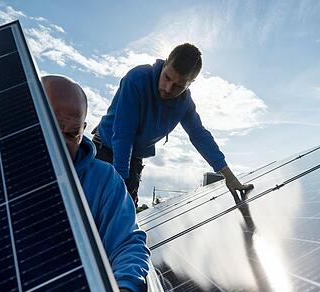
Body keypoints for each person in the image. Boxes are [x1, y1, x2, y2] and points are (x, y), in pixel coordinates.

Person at [41, 75, 149, 292]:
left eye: (71, 134)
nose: (62, 143)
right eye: (52, 129)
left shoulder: (104, 181)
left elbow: (126, 243)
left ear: (84, 129)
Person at [93, 43, 253, 205]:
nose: (168, 89)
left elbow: (199, 135)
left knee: (123, 217)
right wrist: (120, 184)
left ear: (191, 83)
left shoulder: (185, 103)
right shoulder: (137, 79)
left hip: (134, 158)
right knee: (98, 208)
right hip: (105, 150)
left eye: (179, 85)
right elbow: (123, 134)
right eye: (167, 78)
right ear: (165, 63)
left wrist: (229, 176)